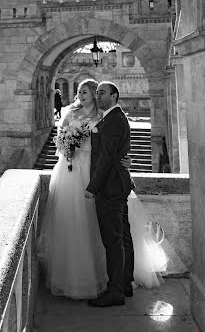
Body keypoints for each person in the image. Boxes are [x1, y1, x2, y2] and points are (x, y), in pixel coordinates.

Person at [37, 78, 170, 301]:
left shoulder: (106, 116)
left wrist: (122, 161)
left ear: (109, 96)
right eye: (82, 91)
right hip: (76, 172)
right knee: (103, 230)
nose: (85, 95)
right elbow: (62, 143)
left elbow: (110, 150)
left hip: (97, 177)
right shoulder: (76, 114)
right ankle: (117, 282)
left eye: (91, 92)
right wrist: (68, 146)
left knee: (112, 235)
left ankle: (116, 284)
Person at [85, 81, 134, 307]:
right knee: (122, 235)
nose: (98, 96)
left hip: (110, 187)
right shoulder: (112, 118)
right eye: (97, 92)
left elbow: (106, 157)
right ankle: (124, 283)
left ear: (114, 96)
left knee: (113, 239)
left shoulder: (113, 120)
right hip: (117, 184)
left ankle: (115, 291)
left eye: (102, 93)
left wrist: (92, 186)